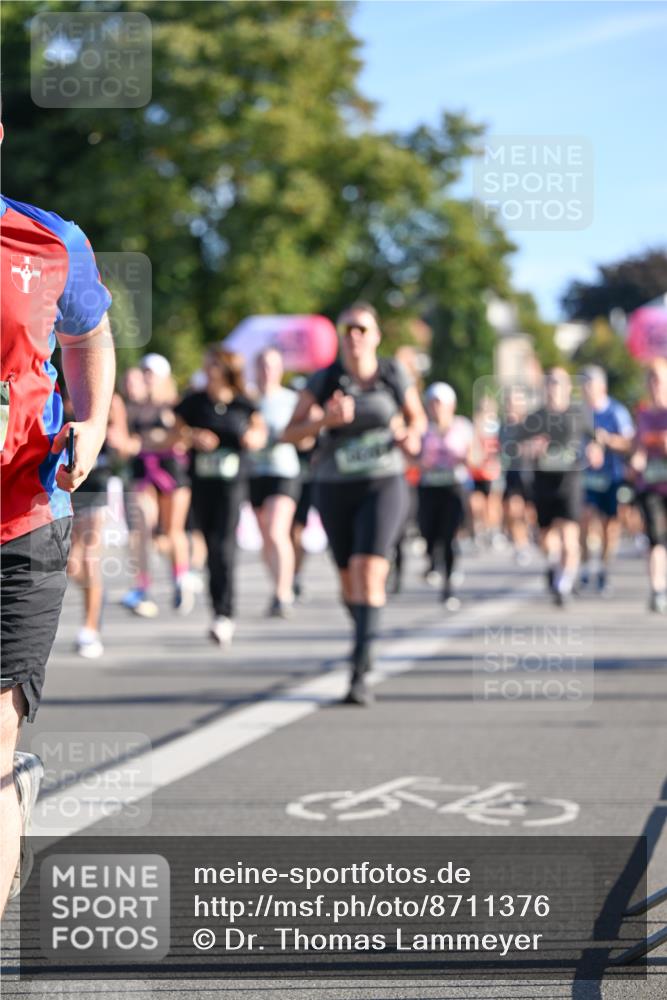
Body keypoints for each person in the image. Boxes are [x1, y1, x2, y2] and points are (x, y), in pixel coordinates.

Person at [0, 180, 115, 913]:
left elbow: (88, 337)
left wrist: (95, 422)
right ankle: (18, 785)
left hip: (25, 516)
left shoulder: (49, 240)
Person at [284, 302, 426, 706]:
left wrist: (411, 437)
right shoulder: (325, 378)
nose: (355, 336)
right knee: (349, 581)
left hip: (384, 482)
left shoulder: (392, 374)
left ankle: (359, 671)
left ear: (376, 335)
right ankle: (368, 632)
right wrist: (324, 422)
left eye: (362, 329)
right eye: (347, 329)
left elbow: (417, 420)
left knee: (369, 569)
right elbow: (290, 434)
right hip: (334, 485)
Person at [174, 348, 267, 646]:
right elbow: (173, 434)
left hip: (232, 484)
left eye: (213, 364)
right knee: (210, 545)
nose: (208, 369)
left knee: (223, 546)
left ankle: (224, 613)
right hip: (201, 482)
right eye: (207, 363)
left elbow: (259, 435)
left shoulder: (244, 404)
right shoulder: (194, 402)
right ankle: (218, 609)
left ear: (227, 369)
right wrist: (193, 437)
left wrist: (250, 439)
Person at [511, 367, 597, 606]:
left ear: (568, 388)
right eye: (549, 383)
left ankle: (563, 587)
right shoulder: (535, 417)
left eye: (558, 383)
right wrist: (531, 447)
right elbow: (515, 446)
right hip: (543, 482)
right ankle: (554, 565)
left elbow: (594, 438)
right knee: (547, 539)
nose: (554, 388)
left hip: (570, 481)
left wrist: (595, 449)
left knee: (570, 535)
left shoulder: (579, 413)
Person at [122, 354, 193, 617]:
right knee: (141, 525)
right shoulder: (135, 407)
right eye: (144, 372)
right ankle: (142, 586)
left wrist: (154, 440)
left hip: (171, 472)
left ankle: (180, 577)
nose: (146, 377)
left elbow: (183, 438)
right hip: (143, 472)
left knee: (172, 531)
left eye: (151, 373)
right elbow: (128, 439)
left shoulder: (174, 406)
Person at [66, 389, 130, 658]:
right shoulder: (58, 388)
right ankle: (96, 598)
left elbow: (124, 447)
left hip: (97, 482)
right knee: (70, 563)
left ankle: (90, 629)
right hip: (66, 482)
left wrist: (115, 440)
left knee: (90, 556)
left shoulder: (110, 399)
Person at [248, 348, 301, 617]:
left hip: (284, 471)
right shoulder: (248, 399)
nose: (267, 371)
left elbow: (307, 435)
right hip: (255, 473)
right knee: (265, 537)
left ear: (280, 370)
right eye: (262, 365)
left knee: (276, 530)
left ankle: (284, 592)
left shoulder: (291, 399)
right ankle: (278, 586)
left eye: (272, 366)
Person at [579, 365, 634, 595]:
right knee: (584, 519)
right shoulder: (578, 412)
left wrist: (608, 440)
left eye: (589, 384)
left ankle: (603, 568)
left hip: (611, 476)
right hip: (584, 477)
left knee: (609, 526)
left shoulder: (616, 411)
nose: (585, 389)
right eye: (582, 384)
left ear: (602, 386)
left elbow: (629, 442)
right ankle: (582, 568)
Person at [418, 382, 473, 609]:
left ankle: (449, 587)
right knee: (428, 534)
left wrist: (464, 457)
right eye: (433, 403)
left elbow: (475, 457)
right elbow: (412, 457)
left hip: (453, 487)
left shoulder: (462, 426)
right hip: (429, 487)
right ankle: (432, 561)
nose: (437, 408)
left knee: (449, 536)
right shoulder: (423, 428)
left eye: (441, 403)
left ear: (451, 405)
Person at [631, 358, 667, 613]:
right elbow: (637, 445)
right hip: (651, 485)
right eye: (651, 380)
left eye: (659, 380)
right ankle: (656, 590)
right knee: (655, 538)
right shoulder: (642, 413)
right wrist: (636, 458)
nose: (655, 385)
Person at [499, 384, 536, 566]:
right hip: (512, 473)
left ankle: (532, 533)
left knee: (529, 512)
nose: (511, 406)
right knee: (513, 510)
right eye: (509, 402)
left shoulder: (531, 424)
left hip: (531, 473)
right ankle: (521, 545)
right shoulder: (503, 427)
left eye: (515, 402)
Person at [468, 395, 504, 549]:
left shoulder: (497, 426)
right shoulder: (475, 426)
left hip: (492, 472)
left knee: (492, 503)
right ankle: (479, 530)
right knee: (475, 504)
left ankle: (493, 531)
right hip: (477, 471)